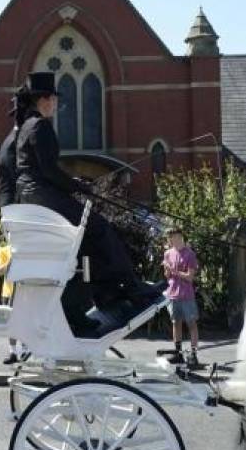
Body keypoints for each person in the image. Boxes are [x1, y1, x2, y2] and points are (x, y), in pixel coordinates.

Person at [14, 71, 161, 336]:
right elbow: (48, 170)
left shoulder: (26, 126)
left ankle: (105, 296)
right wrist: (77, 186)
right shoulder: (40, 126)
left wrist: (72, 181)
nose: (57, 105)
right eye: (54, 99)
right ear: (44, 100)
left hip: (35, 196)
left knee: (85, 242)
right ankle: (131, 289)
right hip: (44, 196)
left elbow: (41, 168)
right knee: (100, 228)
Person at [162, 227, 201, 366]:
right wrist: (167, 270)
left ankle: (193, 355)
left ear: (179, 236)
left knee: (191, 324)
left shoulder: (190, 254)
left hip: (186, 294)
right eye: (169, 238)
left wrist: (174, 270)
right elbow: (167, 276)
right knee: (175, 323)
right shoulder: (168, 253)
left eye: (172, 237)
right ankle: (178, 354)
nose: (170, 240)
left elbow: (190, 277)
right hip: (172, 294)